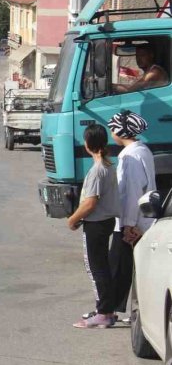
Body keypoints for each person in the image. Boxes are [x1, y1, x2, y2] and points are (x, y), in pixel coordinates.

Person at [67, 123, 121, 329]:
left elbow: (90, 202)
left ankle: (103, 313)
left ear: (88, 144)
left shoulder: (98, 170)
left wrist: (72, 219)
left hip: (96, 224)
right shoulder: (108, 166)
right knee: (102, 267)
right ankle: (106, 309)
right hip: (105, 222)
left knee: (95, 268)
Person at [106, 111, 155, 321]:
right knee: (134, 268)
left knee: (118, 268)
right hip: (140, 219)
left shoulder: (130, 156)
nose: (111, 132)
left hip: (131, 222)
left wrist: (127, 225)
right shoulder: (141, 150)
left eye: (112, 127)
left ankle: (108, 311)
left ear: (119, 130)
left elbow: (132, 191)